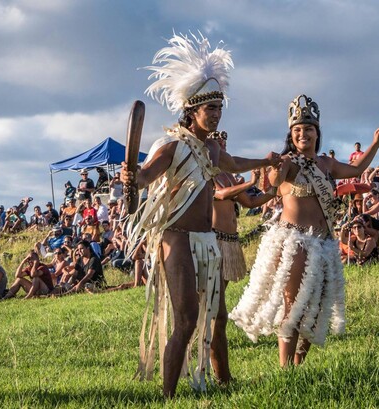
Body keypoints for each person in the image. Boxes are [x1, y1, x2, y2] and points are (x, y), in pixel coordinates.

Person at [122, 32, 279, 397]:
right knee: (188, 319)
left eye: (220, 109)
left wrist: (266, 161)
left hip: (208, 241)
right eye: (211, 109)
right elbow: (145, 177)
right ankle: (168, 396)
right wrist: (133, 176)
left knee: (217, 318)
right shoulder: (173, 145)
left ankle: (222, 383)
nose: (217, 115)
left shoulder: (210, 149)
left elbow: (235, 161)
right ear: (192, 110)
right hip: (176, 238)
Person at [230, 94, 379, 368]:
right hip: (294, 240)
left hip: (324, 243)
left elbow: (357, 168)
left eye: (308, 129)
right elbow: (272, 182)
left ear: (318, 133)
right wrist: (276, 170)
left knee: (314, 311)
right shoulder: (288, 162)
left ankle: (298, 367)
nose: (303, 134)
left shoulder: (326, 165)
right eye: (297, 130)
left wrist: (375, 143)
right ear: (291, 135)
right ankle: (285, 368)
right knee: (294, 305)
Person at [208, 130, 275, 384]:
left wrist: (275, 190)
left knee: (218, 313)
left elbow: (248, 202)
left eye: (224, 142)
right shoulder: (207, 171)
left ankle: (222, 376)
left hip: (229, 242)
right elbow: (221, 195)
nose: (222, 146)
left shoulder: (225, 174)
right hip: (213, 243)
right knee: (217, 314)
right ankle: (221, 377)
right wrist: (250, 181)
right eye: (217, 142)